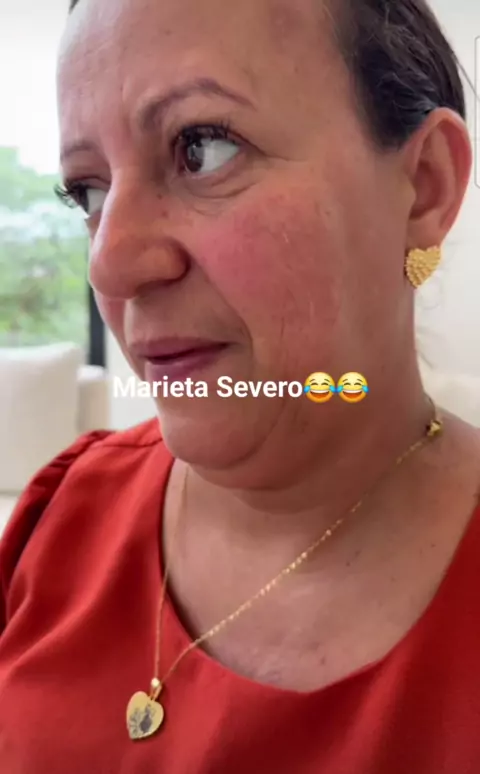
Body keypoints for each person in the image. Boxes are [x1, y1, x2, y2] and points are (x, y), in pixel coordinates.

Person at [1, 0, 479, 771]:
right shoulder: (59, 521)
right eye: (88, 192)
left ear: (423, 187)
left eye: (203, 147)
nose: (109, 266)